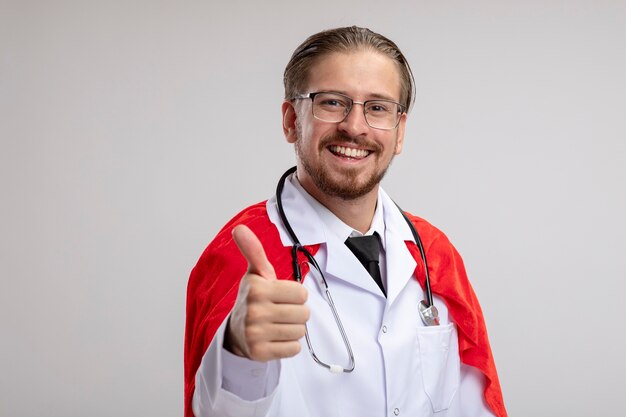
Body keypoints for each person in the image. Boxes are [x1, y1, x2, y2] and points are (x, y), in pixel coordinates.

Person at [185, 26, 507, 417]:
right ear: (290, 120)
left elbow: (474, 404)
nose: (355, 127)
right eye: (333, 102)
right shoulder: (241, 257)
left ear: (399, 131)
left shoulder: (434, 255)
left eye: (377, 108)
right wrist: (238, 353)